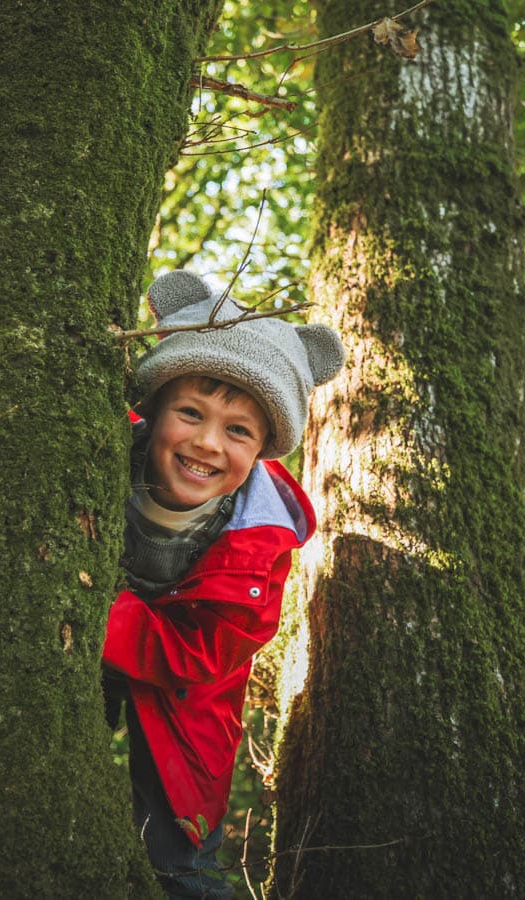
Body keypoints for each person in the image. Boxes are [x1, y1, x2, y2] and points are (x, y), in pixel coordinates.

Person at [102, 270, 344, 898]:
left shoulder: (259, 543)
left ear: (263, 448)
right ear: (153, 411)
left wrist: (98, 609)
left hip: (190, 698)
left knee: (180, 858)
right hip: (100, 652)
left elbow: (203, 653)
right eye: (191, 413)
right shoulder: (99, 454)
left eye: (238, 431)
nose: (208, 443)